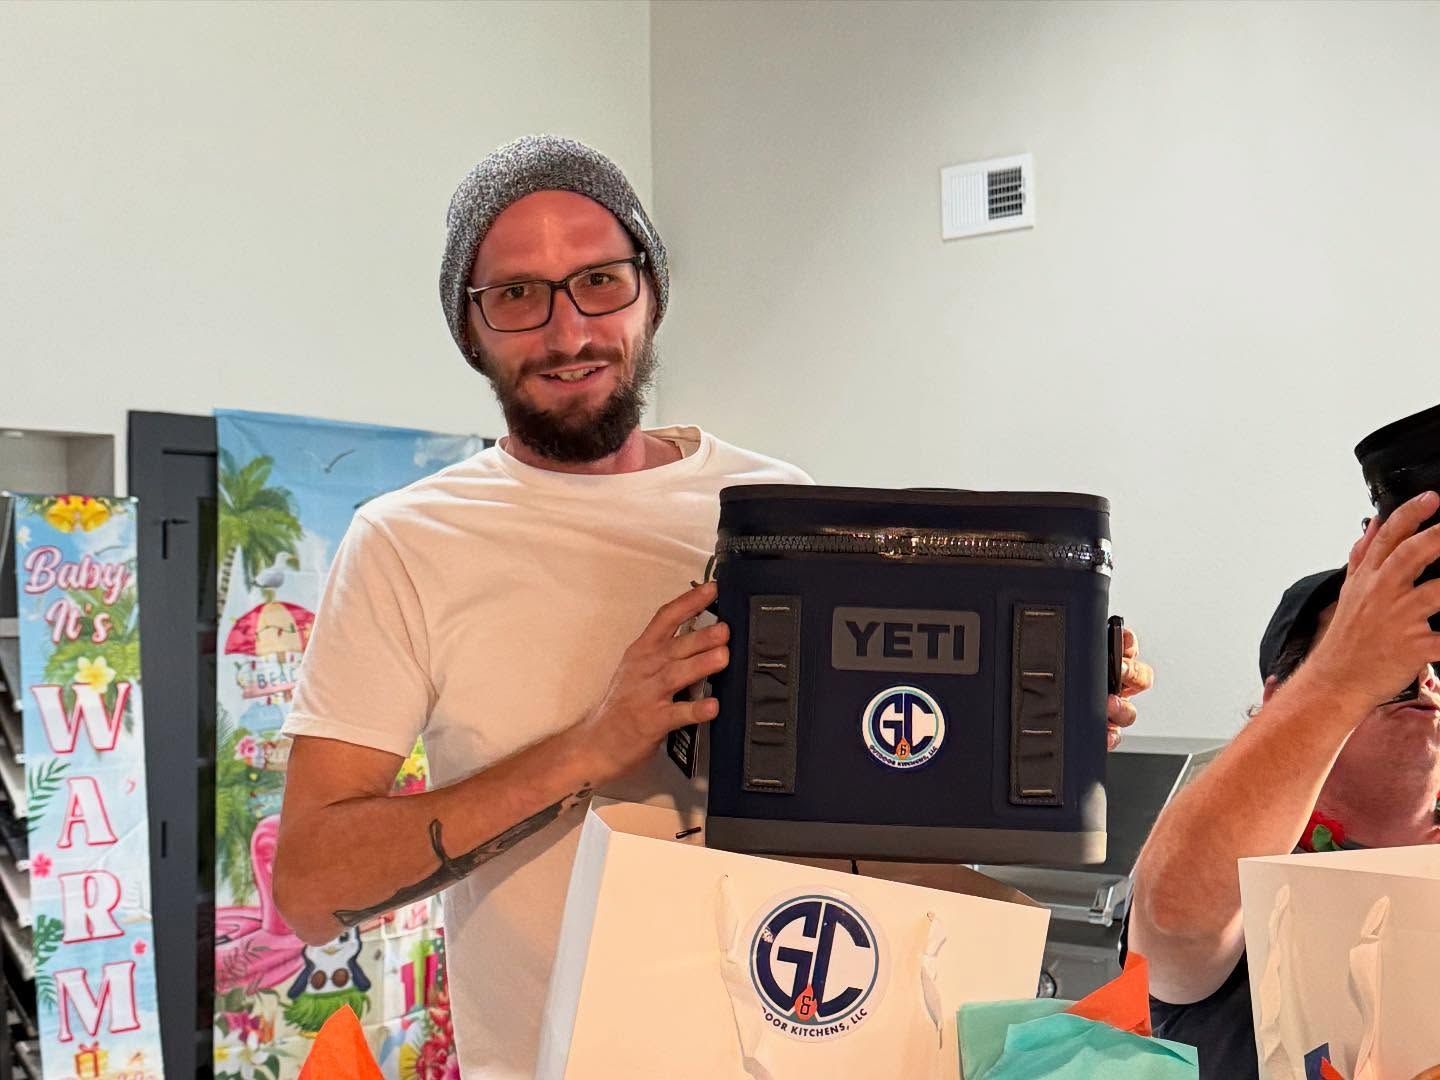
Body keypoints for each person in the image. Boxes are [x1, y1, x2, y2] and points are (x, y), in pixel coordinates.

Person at [272, 135, 1149, 1077]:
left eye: (600, 281)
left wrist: (1024, 731)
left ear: (649, 290)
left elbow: (870, 796)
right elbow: (314, 886)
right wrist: (589, 747)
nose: (568, 334)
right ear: (469, 325)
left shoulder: (778, 511)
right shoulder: (408, 541)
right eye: (518, 295)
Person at [1128, 491, 1440, 1078]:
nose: (1422, 677)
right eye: (1393, 663)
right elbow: (1173, 918)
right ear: (1279, 697)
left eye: (1429, 656)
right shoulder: (1241, 876)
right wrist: (1345, 674)